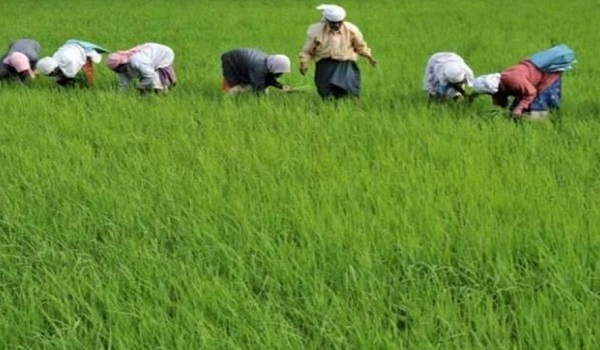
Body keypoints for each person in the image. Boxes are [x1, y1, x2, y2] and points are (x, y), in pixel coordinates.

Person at [472, 44, 576, 119]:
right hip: (528, 81)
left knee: (537, 108)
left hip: (546, 77)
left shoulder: (513, 81)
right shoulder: (500, 82)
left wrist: (518, 109)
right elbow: (500, 99)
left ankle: (547, 118)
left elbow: (531, 92)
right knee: (515, 110)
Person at [299, 4, 377, 100]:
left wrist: (369, 57)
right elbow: (307, 50)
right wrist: (304, 63)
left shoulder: (351, 30)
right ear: (327, 21)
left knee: (351, 89)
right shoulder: (316, 31)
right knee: (327, 92)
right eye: (333, 23)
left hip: (346, 64)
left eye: (339, 23)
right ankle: (331, 110)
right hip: (325, 64)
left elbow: (360, 46)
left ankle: (356, 108)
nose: (336, 25)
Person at [106, 43, 176, 94]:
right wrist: (121, 96)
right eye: (116, 70)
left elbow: (151, 75)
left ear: (122, 64)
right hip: (148, 57)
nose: (119, 71)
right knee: (146, 80)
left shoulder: (137, 61)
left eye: (119, 69)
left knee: (160, 79)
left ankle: (164, 93)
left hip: (163, 54)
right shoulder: (121, 70)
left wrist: (141, 87)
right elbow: (123, 84)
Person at [36, 39, 109, 87]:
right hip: (71, 47)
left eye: (51, 74)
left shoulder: (71, 63)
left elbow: (70, 75)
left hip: (84, 51)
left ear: (54, 69)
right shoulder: (54, 60)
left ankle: (90, 87)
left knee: (87, 72)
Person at [221, 48, 291, 94]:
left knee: (247, 84)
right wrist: (263, 102)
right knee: (234, 85)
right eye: (279, 72)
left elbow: (270, 79)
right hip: (231, 60)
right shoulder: (259, 68)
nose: (280, 74)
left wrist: (281, 86)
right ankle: (226, 97)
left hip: (244, 63)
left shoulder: (268, 63)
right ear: (275, 66)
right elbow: (258, 88)